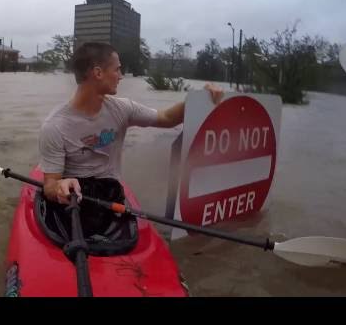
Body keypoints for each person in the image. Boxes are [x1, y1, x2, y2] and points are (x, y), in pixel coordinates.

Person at [39, 42, 224, 209]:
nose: (121, 76)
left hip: (111, 197)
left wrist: (200, 99)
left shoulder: (123, 109)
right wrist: (58, 187)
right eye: (117, 70)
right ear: (98, 73)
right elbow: (49, 185)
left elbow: (167, 118)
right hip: (75, 201)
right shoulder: (54, 126)